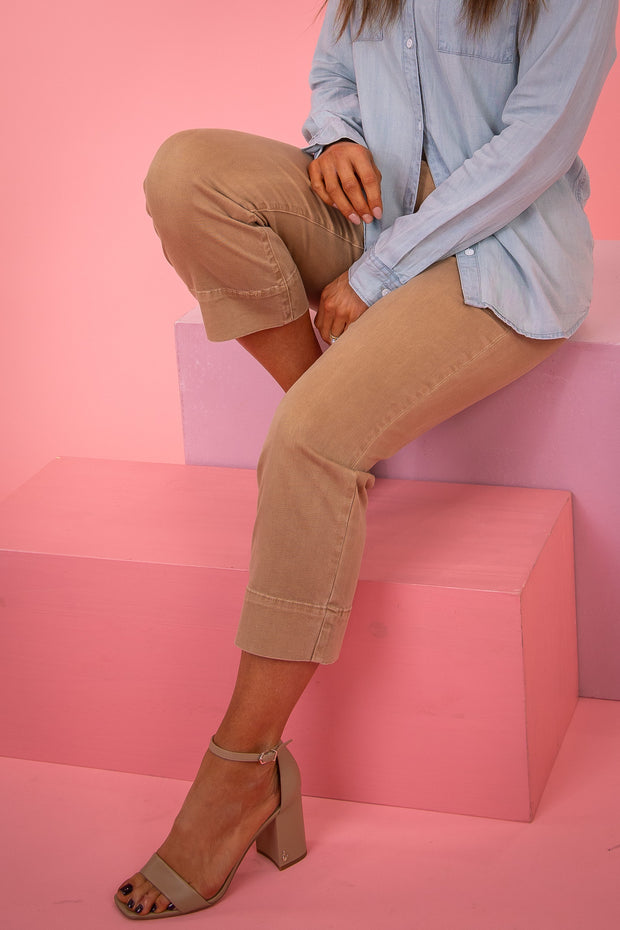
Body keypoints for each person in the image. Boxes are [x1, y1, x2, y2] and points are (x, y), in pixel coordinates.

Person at [115, 0, 617, 919]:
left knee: (304, 442)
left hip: (495, 251)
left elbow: (536, 149)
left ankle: (243, 769)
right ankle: (338, 418)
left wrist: (379, 275)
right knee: (187, 173)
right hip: (370, 215)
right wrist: (337, 137)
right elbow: (336, 72)